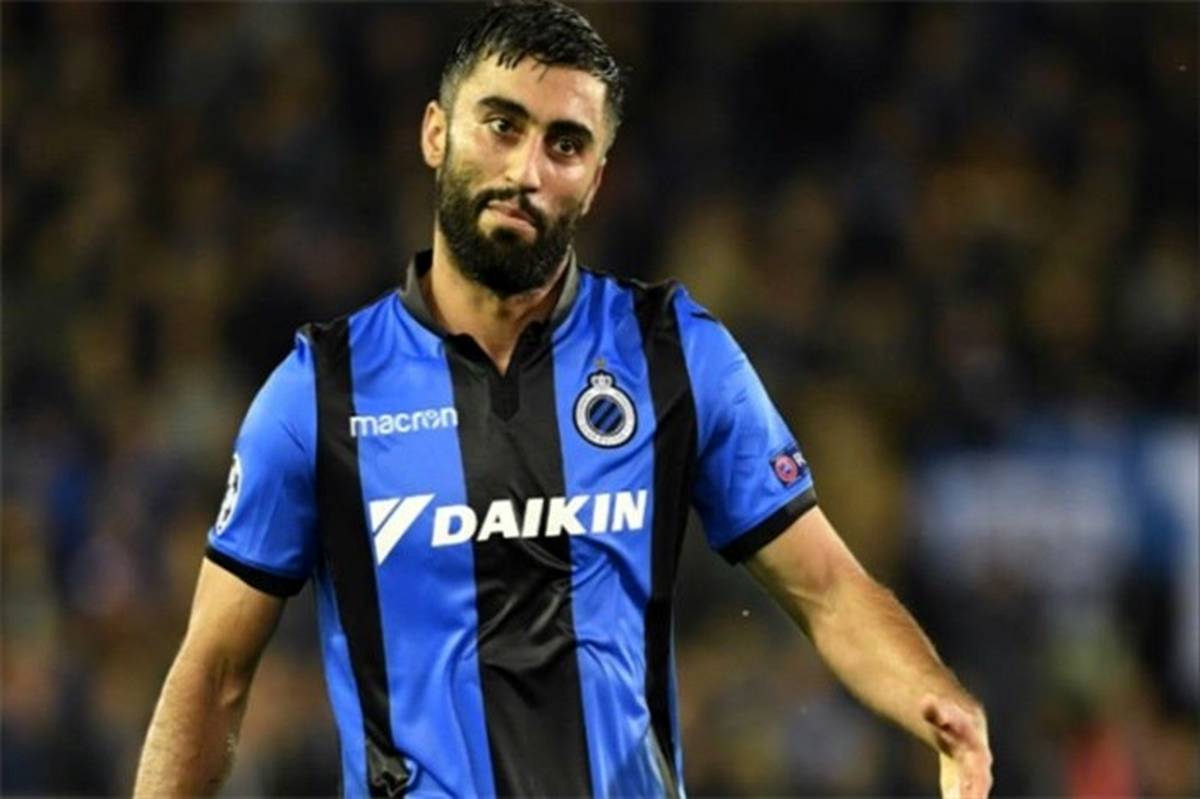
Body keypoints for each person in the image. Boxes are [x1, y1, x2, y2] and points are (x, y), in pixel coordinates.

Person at [134, 1, 992, 796]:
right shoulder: (320, 392)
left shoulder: (674, 355)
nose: (527, 169)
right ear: (436, 132)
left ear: (596, 179)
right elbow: (213, 673)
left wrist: (939, 705)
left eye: (566, 144)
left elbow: (828, 588)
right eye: (502, 125)